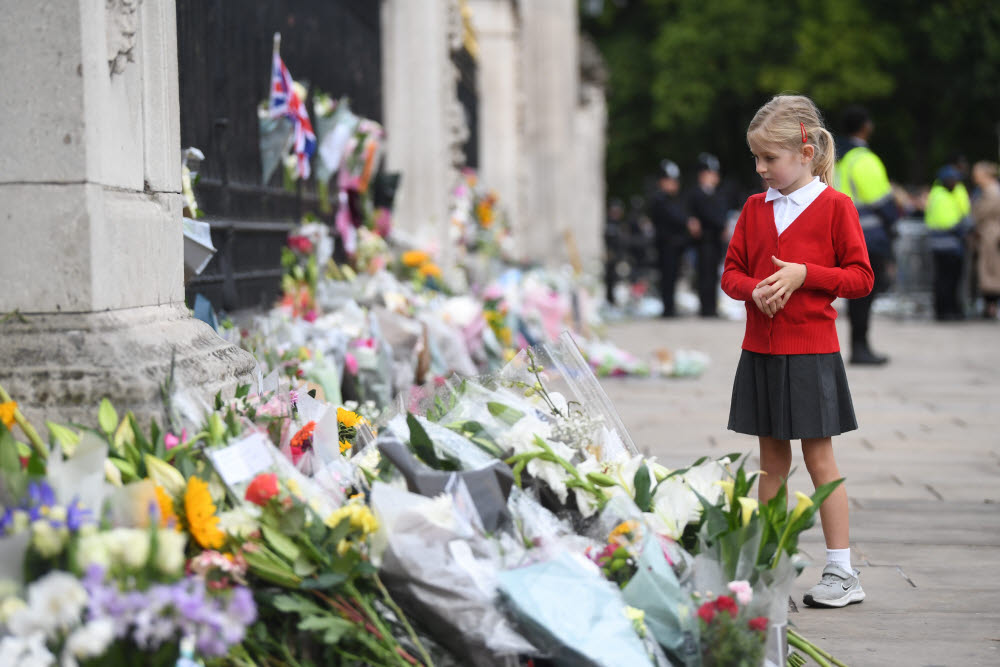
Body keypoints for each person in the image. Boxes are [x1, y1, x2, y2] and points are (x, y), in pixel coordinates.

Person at [722, 95, 873, 608]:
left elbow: (861, 278)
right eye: (756, 159)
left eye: (771, 159)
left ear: (805, 151)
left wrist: (806, 275)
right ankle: (768, 570)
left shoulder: (836, 207)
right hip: (762, 350)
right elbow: (732, 274)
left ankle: (842, 572)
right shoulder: (752, 208)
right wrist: (753, 290)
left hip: (812, 351)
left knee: (820, 460)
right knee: (770, 465)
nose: (761, 169)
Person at [835, 106, 898, 365]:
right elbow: (881, 201)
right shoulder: (863, 158)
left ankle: (858, 346)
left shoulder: (839, 157)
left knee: (855, 294)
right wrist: (893, 219)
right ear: (865, 126)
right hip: (868, 235)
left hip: (846, 232)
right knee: (865, 292)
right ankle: (861, 348)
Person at [925, 165, 972, 320]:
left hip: (949, 245)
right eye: (952, 180)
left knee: (951, 279)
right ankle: (945, 311)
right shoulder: (941, 196)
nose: (954, 183)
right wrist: (963, 228)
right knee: (946, 280)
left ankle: (951, 309)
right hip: (946, 246)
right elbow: (947, 222)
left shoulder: (943, 194)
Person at [686, 153, 728, 317]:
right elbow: (709, 215)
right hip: (704, 240)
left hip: (715, 239)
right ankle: (706, 308)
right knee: (704, 274)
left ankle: (712, 306)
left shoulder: (716, 194)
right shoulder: (697, 194)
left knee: (713, 274)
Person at [647, 160, 688, 317]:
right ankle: (668, 308)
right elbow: (675, 217)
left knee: (673, 276)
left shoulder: (674, 199)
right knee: (667, 277)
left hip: (675, 244)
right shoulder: (659, 199)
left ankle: (670, 306)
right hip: (665, 245)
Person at [970, 161, 1000, 318]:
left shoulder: (991, 191)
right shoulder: (987, 190)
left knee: (990, 272)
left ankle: (991, 307)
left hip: (991, 236)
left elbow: (980, 212)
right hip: (988, 235)